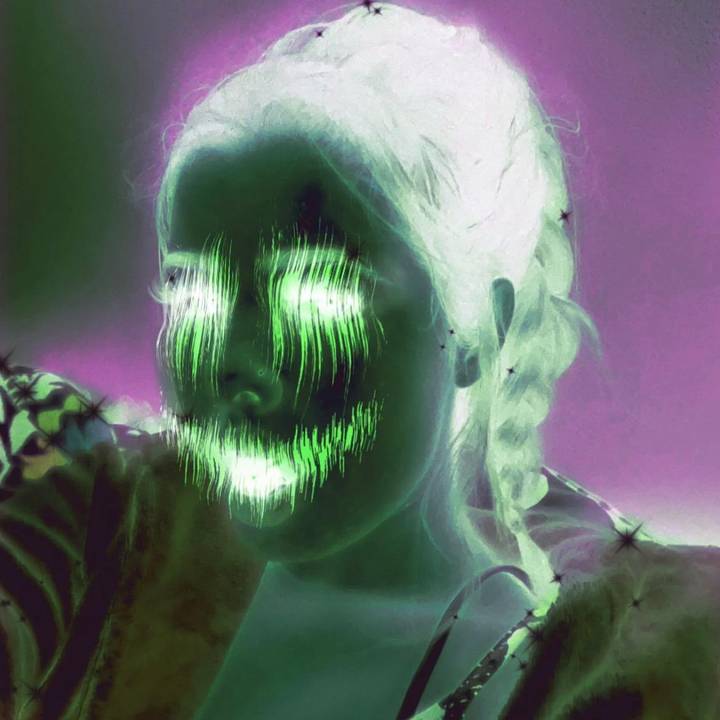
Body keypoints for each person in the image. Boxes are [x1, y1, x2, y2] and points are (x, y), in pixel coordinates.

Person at [1, 4, 718, 719]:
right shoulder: (86, 547)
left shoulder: (600, 677)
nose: (230, 371)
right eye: (195, 298)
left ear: (476, 331)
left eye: (319, 298)